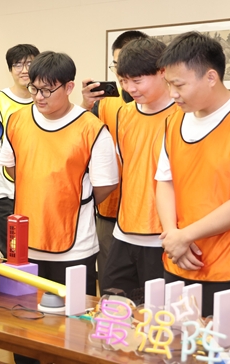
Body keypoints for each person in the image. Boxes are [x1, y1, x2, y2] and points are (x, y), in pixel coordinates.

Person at [0, 51, 119, 364]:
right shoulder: (17, 120)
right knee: (23, 328)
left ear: (69, 87)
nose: (39, 97)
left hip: (74, 249)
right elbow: (11, 167)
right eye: (34, 89)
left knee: (70, 333)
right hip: (25, 248)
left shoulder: (91, 128)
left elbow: (106, 184)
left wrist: (68, 200)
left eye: (47, 90)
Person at [155, 31, 230, 321]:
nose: (172, 94)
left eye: (179, 85)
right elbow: (165, 181)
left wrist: (184, 236)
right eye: (169, 84)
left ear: (211, 77)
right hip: (180, 255)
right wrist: (173, 236)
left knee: (222, 342)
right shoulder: (174, 121)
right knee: (176, 339)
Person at [99, 37, 176, 303]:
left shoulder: (184, 116)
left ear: (162, 72)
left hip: (163, 237)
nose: (129, 88)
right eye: (123, 80)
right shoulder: (124, 114)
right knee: (112, 310)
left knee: (158, 319)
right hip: (124, 231)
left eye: (137, 80)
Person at [80, 30, 147, 295]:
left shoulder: (171, 107)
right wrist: (85, 106)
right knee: (112, 289)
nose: (122, 75)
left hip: (150, 215)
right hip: (110, 208)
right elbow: (79, 139)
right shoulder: (105, 101)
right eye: (118, 65)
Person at [0, 44, 38, 257]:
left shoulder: (44, 99)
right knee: (11, 252)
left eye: (29, 63)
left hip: (37, 189)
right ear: (10, 69)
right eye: (18, 64)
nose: (24, 70)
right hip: (3, 190)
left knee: (35, 250)